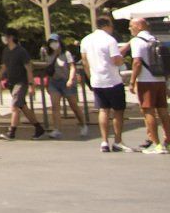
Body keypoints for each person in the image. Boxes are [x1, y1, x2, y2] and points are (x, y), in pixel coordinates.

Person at [81, 15, 129, 153]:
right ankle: (118, 141)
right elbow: (116, 61)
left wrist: (90, 77)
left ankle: (104, 141)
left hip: (97, 80)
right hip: (112, 80)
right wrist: (123, 56)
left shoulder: (86, 40)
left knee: (103, 110)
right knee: (118, 111)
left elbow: (84, 61)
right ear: (107, 25)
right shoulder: (110, 40)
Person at [126, 16, 165, 154]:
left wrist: (132, 81)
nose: (130, 28)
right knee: (163, 111)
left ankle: (156, 144)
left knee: (148, 111)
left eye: (131, 26)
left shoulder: (137, 41)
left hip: (146, 80)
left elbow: (137, 62)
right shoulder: (155, 39)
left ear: (139, 26)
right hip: (160, 79)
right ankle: (168, 141)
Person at [0, 32, 47, 140]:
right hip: (11, 82)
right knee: (22, 106)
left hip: (21, 82)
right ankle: (39, 128)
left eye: (5, 36)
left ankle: (11, 132)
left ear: (11, 37)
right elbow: (4, 66)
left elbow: (28, 68)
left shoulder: (21, 51)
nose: (3, 38)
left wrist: (31, 84)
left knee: (15, 106)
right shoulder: (6, 51)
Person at [40, 34, 83, 137]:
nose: (53, 44)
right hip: (54, 82)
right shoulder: (48, 54)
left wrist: (70, 79)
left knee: (73, 106)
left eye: (54, 42)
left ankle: (83, 124)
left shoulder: (66, 54)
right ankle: (57, 129)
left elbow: (72, 67)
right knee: (55, 106)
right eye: (51, 42)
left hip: (66, 81)